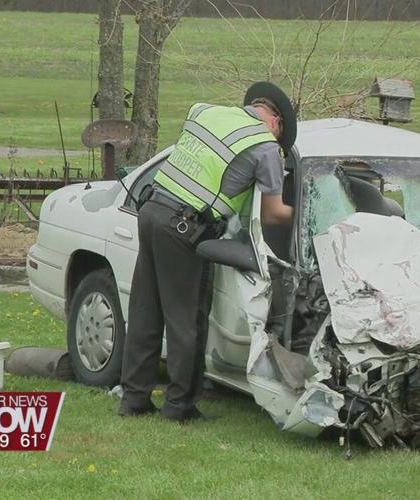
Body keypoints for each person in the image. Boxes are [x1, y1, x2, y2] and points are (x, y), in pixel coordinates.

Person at [118, 82, 296, 422]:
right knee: (187, 319)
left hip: (152, 211)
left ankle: (134, 399)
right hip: (184, 228)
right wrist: (304, 209)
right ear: (276, 122)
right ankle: (179, 406)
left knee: (146, 309)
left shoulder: (205, 112)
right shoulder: (265, 147)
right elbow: (274, 212)